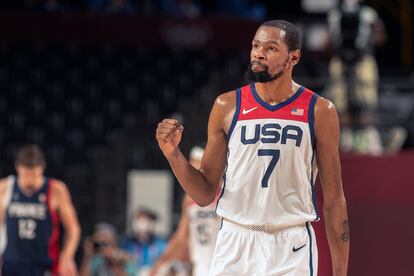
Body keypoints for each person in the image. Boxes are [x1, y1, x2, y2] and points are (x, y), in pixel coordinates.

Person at [156, 20, 349, 275]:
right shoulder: (226, 106)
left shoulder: (320, 111)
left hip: (291, 243)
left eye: (271, 48)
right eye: (256, 45)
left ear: (294, 57)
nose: (259, 53)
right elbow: (203, 194)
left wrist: (340, 272)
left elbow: (334, 201)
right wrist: (173, 154)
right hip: (234, 239)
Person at [0, 144, 80, 276]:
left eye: (34, 175)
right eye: (26, 175)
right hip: (11, 265)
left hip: (44, 264)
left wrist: (67, 256)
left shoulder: (55, 189)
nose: (30, 180)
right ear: (18, 168)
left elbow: (73, 228)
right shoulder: (5, 188)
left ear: (42, 169)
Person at [326, 0, 387, 154]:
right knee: (340, 99)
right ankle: (347, 139)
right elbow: (328, 40)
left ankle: (370, 137)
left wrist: (369, 38)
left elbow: (380, 38)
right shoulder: (334, 14)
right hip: (341, 58)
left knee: (367, 98)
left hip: (362, 58)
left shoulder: (368, 14)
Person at [150, 146, 221, 276]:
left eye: (197, 162)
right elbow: (181, 238)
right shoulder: (189, 200)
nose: (193, 165)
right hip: (201, 266)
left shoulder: (224, 192)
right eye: (192, 162)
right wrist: (161, 263)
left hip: (224, 264)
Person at [121, 208, 167, 275]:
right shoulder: (128, 243)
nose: (145, 225)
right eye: (141, 221)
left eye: (150, 221)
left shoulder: (160, 244)